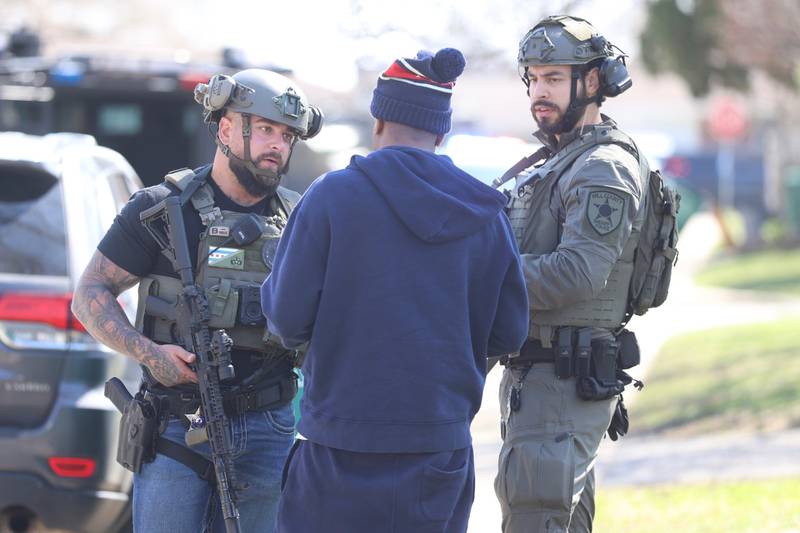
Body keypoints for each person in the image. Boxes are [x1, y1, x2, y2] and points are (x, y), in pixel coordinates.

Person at [261, 48, 529, 533]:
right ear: (441, 130)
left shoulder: (330, 198)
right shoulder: (486, 215)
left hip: (337, 450)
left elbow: (285, 318)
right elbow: (509, 332)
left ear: (379, 117)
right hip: (438, 450)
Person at [72, 68, 323, 532]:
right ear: (226, 128)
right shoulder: (162, 210)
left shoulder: (302, 218)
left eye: (287, 136)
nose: (277, 146)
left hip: (268, 426)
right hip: (176, 422)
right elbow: (89, 295)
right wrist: (148, 353)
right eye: (265, 128)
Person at [493, 15, 647, 533]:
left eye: (554, 78)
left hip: (561, 382)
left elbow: (579, 272)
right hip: (538, 378)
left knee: (535, 521)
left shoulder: (603, 165)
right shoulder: (559, 160)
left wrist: (481, 278)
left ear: (592, 82)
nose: (539, 91)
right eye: (533, 78)